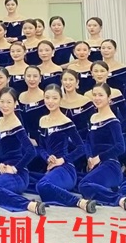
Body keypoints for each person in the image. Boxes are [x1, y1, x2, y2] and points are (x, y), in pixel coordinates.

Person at [35, 85, 95, 213]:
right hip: (51, 167)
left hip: (66, 169)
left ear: (60, 100)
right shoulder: (42, 120)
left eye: (54, 98)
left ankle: (79, 202)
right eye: (47, 98)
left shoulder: (66, 122)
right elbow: (40, 147)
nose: (50, 101)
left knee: (42, 186)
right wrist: (47, 158)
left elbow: (81, 148)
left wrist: (62, 160)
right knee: (40, 186)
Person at [0, 88, 44, 215]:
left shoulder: (16, 124)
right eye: (2, 102)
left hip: (18, 174)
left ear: (15, 104)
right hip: (4, 170)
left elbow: (31, 151)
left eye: (9, 102)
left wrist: (15, 168)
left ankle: (29, 205)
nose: (5, 105)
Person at [76, 84, 126, 209]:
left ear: (109, 98)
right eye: (94, 95)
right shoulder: (93, 118)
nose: (97, 98)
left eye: (101, 95)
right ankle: (111, 190)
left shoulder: (113, 121)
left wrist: (99, 158)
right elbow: (88, 141)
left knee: (84, 185)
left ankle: (119, 199)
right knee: (79, 182)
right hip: (96, 165)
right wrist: (90, 157)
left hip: (110, 165)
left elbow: (120, 147)